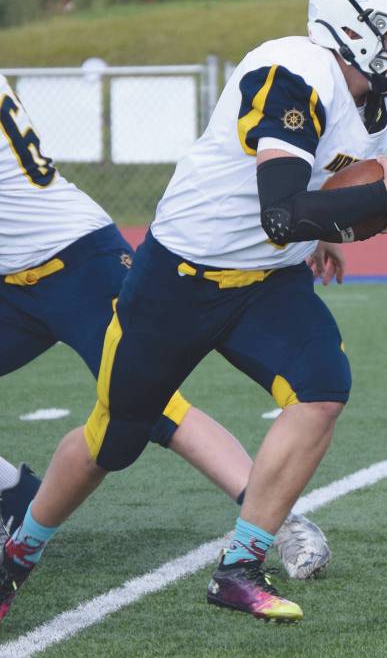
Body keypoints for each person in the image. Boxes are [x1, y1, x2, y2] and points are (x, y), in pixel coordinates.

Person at [0, 0, 387, 625]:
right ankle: (18, 555)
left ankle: (240, 566)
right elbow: (281, 209)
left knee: (322, 391)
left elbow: (326, 178)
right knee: (115, 437)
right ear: (350, 29)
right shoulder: (292, 70)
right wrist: (370, 201)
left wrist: (331, 229)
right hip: (180, 276)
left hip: (268, 278)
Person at [0, 73, 331, 574]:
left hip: (75, 263)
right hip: (12, 280)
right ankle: (12, 495)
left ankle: (280, 522)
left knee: (152, 407)